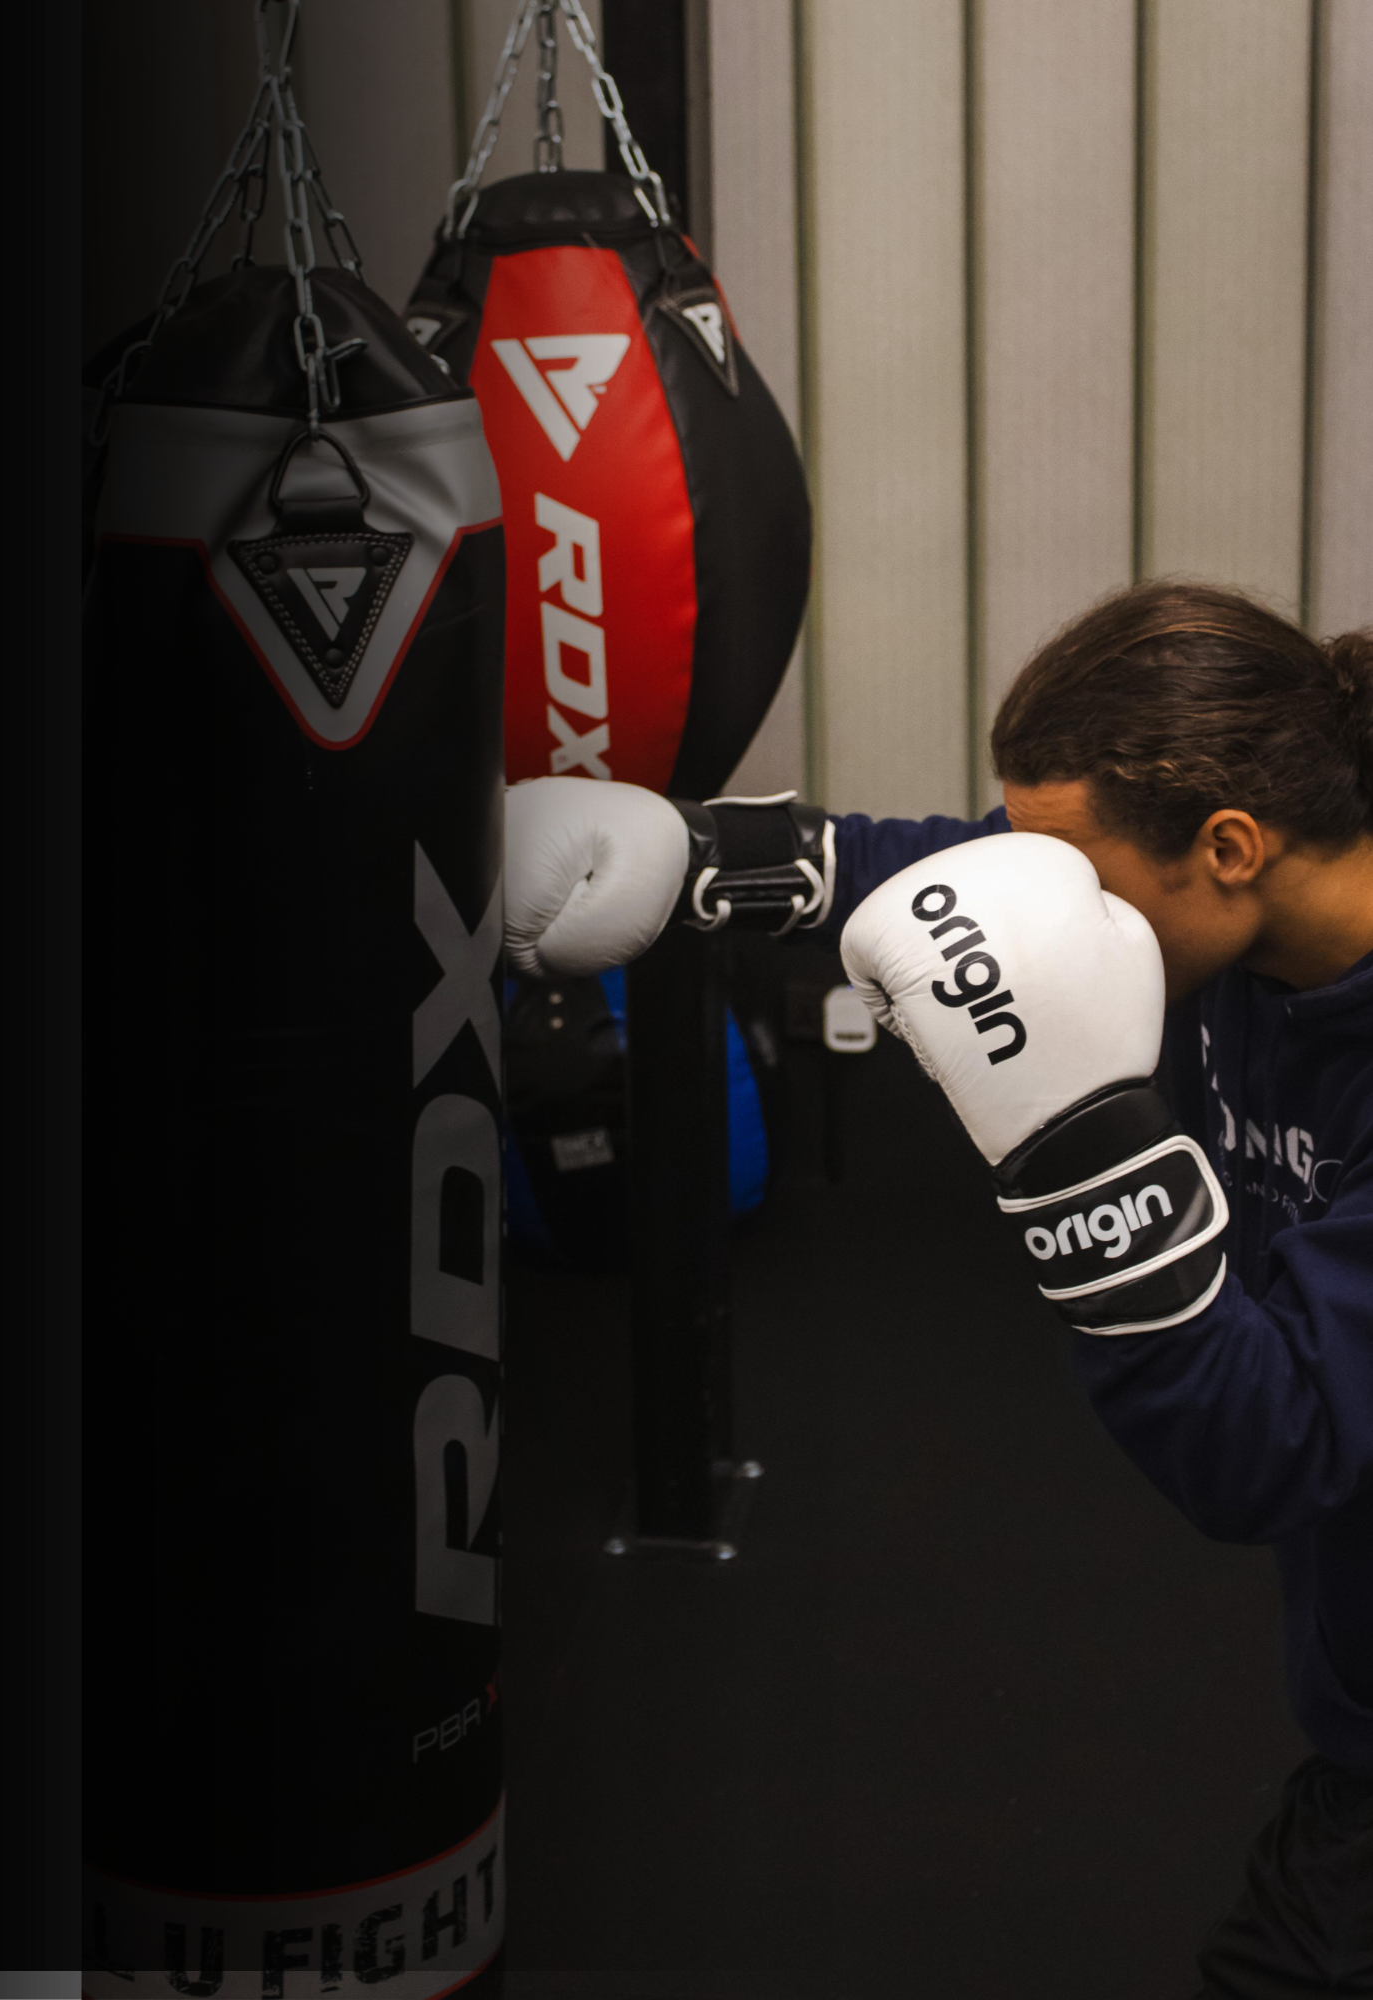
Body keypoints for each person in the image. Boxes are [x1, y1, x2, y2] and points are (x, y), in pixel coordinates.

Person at [504, 580, 1373, 1995]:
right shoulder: (1241, 912)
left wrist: (1078, 1150)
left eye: (1072, 884)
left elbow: (1261, 1447)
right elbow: (975, 875)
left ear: (1228, 846)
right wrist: (709, 857)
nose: (1035, 916)